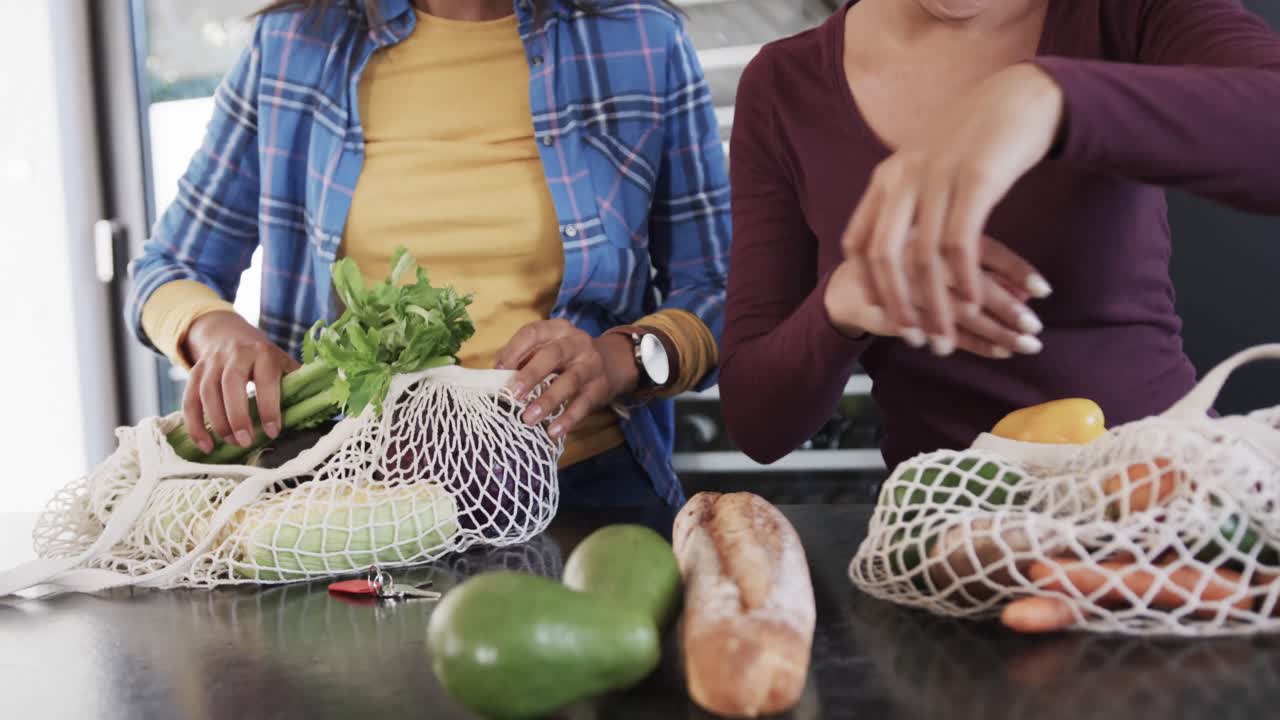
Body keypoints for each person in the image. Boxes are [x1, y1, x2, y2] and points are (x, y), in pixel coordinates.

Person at [126, 0, 730, 519]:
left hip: (581, 490)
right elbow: (166, 268)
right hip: (335, 497)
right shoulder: (291, 46)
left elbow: (721, 291)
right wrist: (220, 334)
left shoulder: (643, 42)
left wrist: (615, 360)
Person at [719, 0, 1280, 468]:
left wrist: (1050, 96)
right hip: (948, 542)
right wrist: (838, 306)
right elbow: (758, 425)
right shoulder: (782, 84)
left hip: (1167, 500)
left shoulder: (1128, 11)